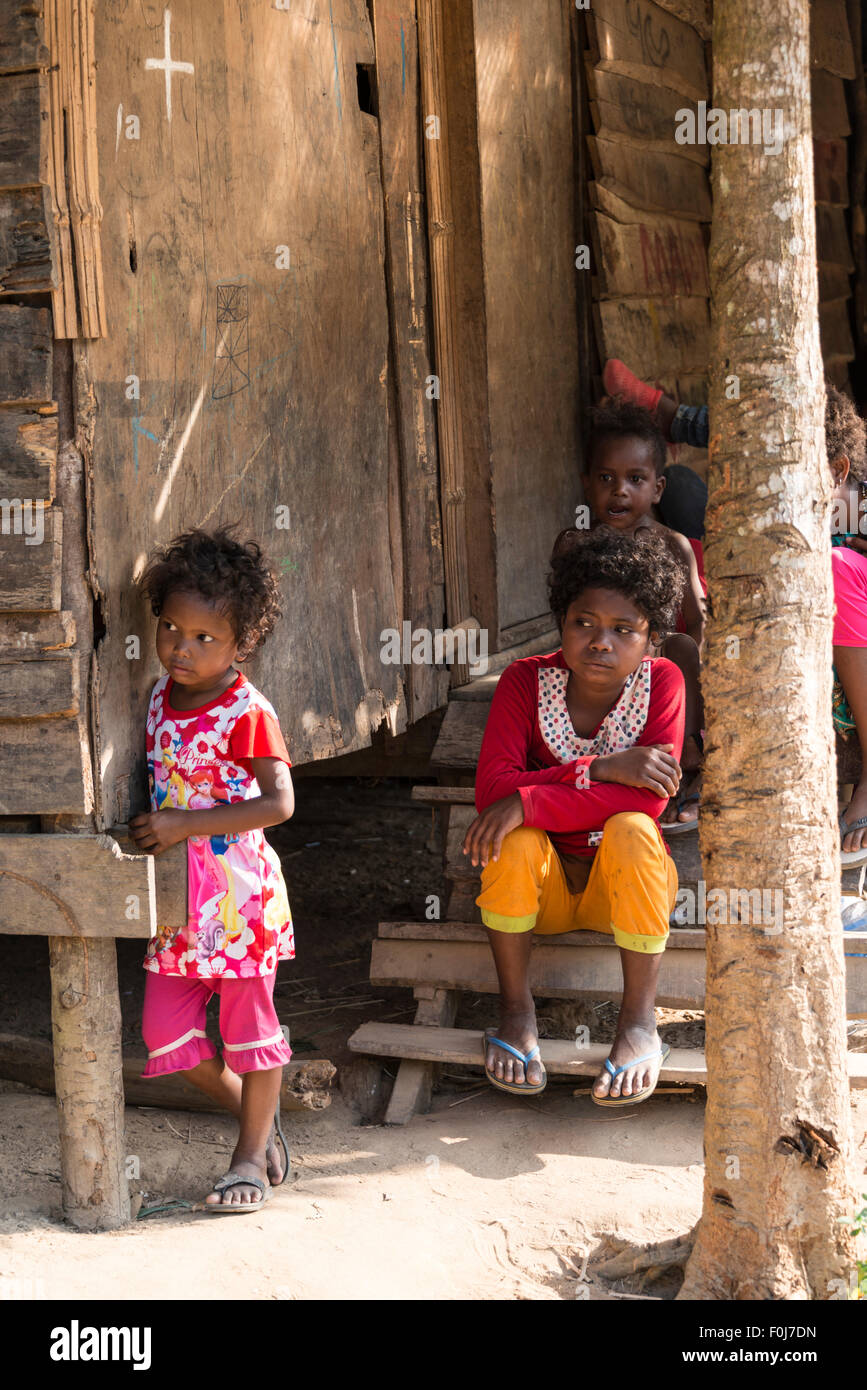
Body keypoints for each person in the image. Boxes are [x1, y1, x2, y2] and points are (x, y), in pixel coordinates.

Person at [604, 359, 867, 858]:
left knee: (829, 565)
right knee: (682, 490)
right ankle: (705, 761)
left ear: (838, 471)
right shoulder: (765, 519)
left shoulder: (853, 516)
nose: (774, 485)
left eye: (789, 471)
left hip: (846, 647)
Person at [463, 528, 686, 1105]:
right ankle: (517, 1014)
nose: (600, 642)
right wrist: (605, 770)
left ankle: (639, 1023)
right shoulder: (523, 682)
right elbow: (494, 790)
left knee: (634, 829)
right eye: (584, 622)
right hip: (546, 895)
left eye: (624, 629)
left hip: (624, 896)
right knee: (511, 840)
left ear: (652, 639)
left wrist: (532, 798)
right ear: (562, 622)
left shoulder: (664, 682)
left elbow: (648, 800)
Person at [129, 524, 296, 1212]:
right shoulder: (156, 701)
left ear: (241, 644)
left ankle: (249, 1159)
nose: (180, 648)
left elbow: (280, 802)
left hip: (238, 899)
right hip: (175, 901)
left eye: (204, 638)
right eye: (171, 628)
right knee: (164, 1032)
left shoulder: (246, 711)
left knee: (251, 1032)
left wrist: (183, 825)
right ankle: (257, 1119)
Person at [562, 401, 705, 829]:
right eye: (606, 478)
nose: (619, 490)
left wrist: (695, 661)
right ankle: (598, 768)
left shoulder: (674, 546)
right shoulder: (573, 545)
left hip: (661, 672)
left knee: (679, 649)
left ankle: (684, 764)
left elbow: (698, 619)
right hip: (600, 665)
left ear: (658, 488)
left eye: (635, 479)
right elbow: (566, 621)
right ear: (587, 484)